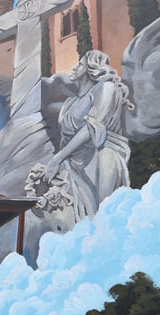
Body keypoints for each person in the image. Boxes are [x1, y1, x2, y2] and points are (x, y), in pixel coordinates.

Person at [33, 49, 134, 224]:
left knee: (102, 215)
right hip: (74, 164)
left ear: (91, 68)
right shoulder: (70, 103)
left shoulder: (107, 88)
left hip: (101, 157)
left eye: (80, 64)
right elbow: (65, 140)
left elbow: (92, 127)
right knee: (74, 219)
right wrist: (59, 164)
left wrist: (57, 159)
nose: (74, 67)